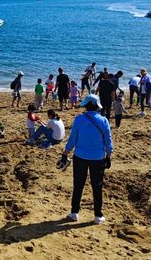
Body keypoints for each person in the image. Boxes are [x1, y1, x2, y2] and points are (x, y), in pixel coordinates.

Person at [60, 94, 113, 225]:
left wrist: (65, 153)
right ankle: (98, 215)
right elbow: (108, 142)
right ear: (97, 106)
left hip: (80, 157)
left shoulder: (79, 119)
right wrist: (108, 157)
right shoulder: (104, 120)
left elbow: (72, 139)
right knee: (97, 187)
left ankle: (74, 213)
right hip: (98, 158)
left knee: (78, 185)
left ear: (86, 105)